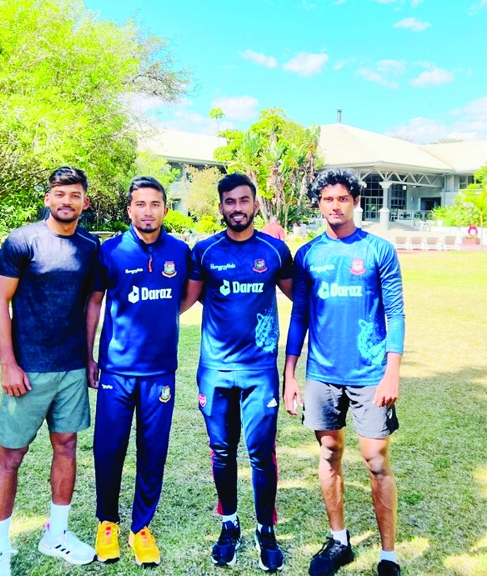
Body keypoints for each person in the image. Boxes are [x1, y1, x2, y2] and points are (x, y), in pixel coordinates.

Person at [283, 168, 405, 576]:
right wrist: (290, 373)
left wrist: (392, 372)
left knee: (374, 459)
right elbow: (300, 314)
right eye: (327, 199)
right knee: (330, 452)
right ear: (319, 203)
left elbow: (396, 313)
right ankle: (339, 541)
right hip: (322, 373)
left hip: (370, 372)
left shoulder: (378, 250)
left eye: (342, 198)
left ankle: (388, 555)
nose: (335, 206)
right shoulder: (308, 255)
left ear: (355, 201)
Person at [0, 167, 98, 575]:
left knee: (66, 447)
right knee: (11, 457)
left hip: (70, 368)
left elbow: (90, 305)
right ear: (48, 198)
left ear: (85, 202)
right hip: (28, 369)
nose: (66, 201)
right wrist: (8, 363)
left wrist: (88, 357)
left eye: (75, 195)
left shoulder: (90, 248)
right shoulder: (23, 240)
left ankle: (58, 535)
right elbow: (0, 302)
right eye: (59, 193)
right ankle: (0, 548)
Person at [181, 173, 293, 572]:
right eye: (230, 202)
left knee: (262, 454)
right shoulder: (205, 250)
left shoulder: (276, 251)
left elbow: (302, 298)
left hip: (260, 369)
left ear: (256, 204)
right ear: (221, 206)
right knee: (222, 452)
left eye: (244, 200)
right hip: (214, 369)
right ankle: (229, 525)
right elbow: (184, 301)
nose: (237, 208)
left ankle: (266, 529)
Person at [86, 176, 190, 567]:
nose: (148, 211)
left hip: (160, 372)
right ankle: (107, 523)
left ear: (165, 208)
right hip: (116, 371)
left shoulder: (180, 252)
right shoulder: (110, 251)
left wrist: (161, 317)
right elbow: (94, 304)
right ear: (130, 209)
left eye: (155, 204)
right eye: (140, 204)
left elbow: (186, 296)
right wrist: (89, 356)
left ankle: (141, 527)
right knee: (109, 449)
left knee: (153, 451)